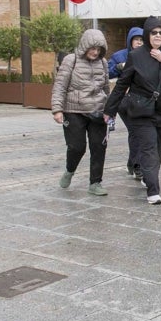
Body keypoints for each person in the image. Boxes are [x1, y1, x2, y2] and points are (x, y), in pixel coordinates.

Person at [104, 16, 161, 205]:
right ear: (147, 34)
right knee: (148, 149)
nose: (157, 36)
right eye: (154, 32)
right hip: (141, 111)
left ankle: (149, 178)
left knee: (159, 150)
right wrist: (110, 110)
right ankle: (153, 190)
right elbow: (123, 84)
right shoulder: (136, 56)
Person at [52, 29, 110, 196]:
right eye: (92, 48)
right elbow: (60, 86)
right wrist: (57, 109)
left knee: (99, 147)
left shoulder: (103, 63)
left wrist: (110, 109)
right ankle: (69, 171)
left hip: (97, 111)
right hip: (74, 111)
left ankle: (95, 183)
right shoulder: (72, 60)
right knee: (77, 147)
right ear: (85, 46)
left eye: (99, 49)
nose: (95, 52)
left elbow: (106, 88)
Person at [107, 27, 144, 180]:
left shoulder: (149, 55)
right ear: (130, 40)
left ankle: (133, 162)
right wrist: (117, 67)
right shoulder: (120, 55)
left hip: (143, 101)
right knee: (136, 132)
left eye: (142, 40)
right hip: (124, 101)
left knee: (138, 133)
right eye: (137, 40)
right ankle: (137, 166)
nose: (139, 43)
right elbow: (107, 72)